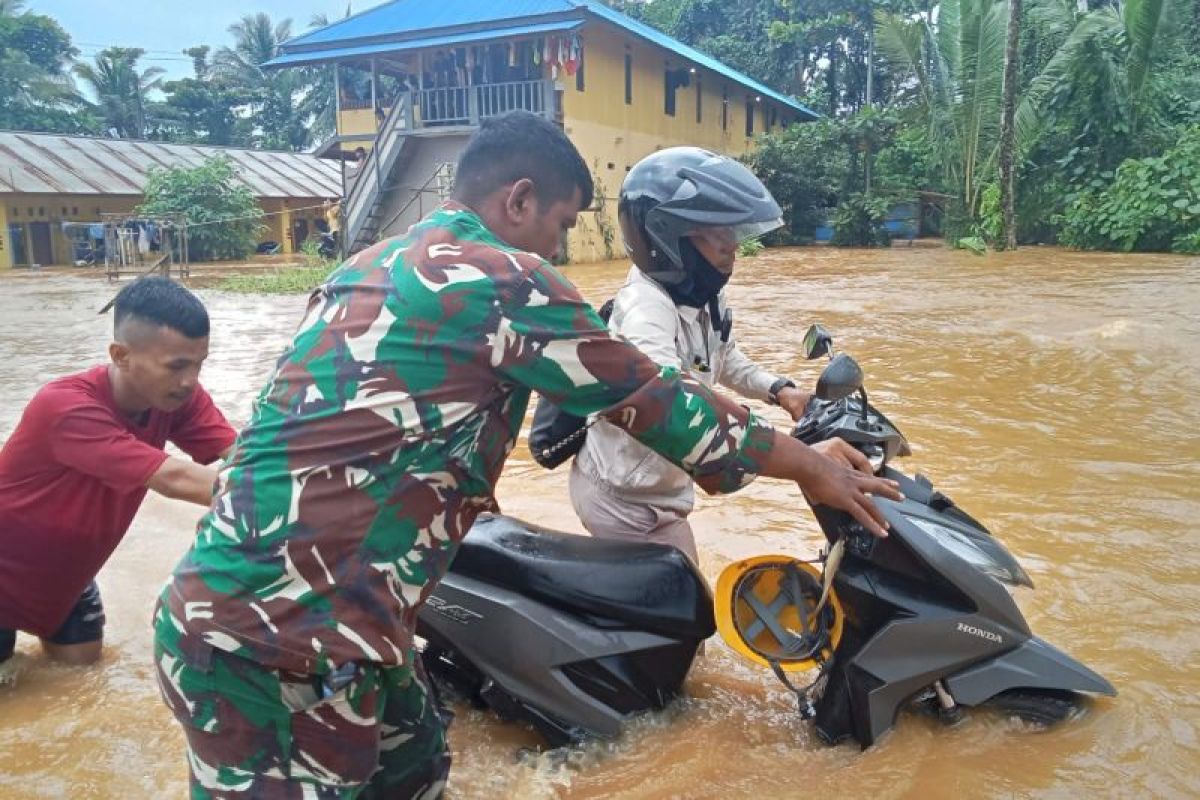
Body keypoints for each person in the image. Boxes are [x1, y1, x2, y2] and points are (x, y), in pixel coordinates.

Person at [152, 111, 900, 800]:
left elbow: (389, 434)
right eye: (563, 223)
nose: (560, 247)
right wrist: (809, 464)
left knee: (417, 764)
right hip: (276, 642)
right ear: (518, 201)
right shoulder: (507, 280)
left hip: (316, 619)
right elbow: (663, 407)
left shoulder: (370, 262)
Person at [570, 147, 814, 564]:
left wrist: (782, 391)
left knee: (685, 597)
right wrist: (807, 463)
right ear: (667, 237)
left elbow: (726, 360)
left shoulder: (702, 297)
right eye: (718, 234)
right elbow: (671, 405)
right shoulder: (645, 310)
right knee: (681, 609)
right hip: (624, 498)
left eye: (733, 232)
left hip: (659, 490)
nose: (732, 246)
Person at [0, 276, 234, 671]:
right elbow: (173, 478)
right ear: (121, 355)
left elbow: (241, 459)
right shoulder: (65, 407)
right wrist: (290, 494)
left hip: (67, 584)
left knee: (76, 688)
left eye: (198, 363)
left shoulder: (178, 399)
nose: (190, 380)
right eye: (176, 365)